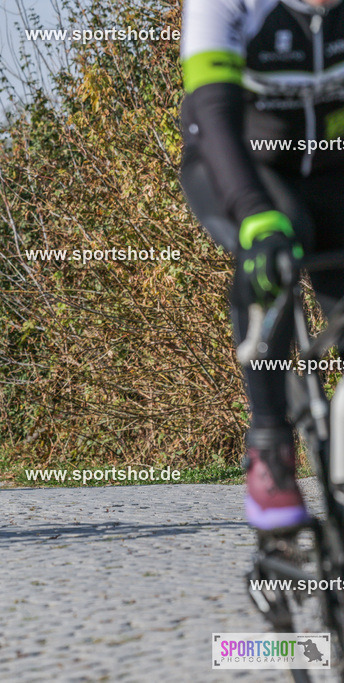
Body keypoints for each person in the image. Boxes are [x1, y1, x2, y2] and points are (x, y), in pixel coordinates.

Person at [180, 0, 344, 530]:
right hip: (244, 166)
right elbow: (214, 112)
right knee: (271, 259)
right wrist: (254, 216)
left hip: (334, 170)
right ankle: (271, 445)